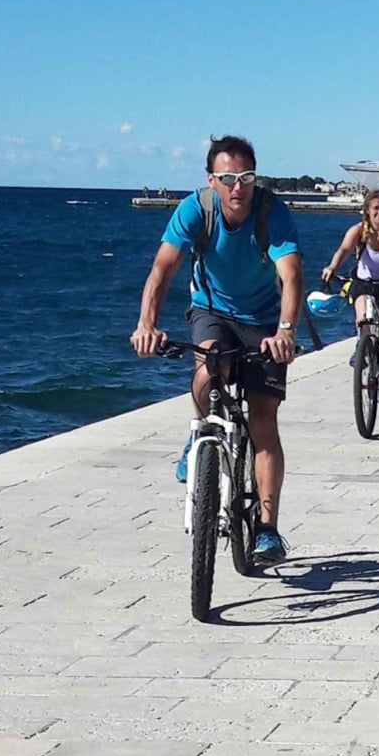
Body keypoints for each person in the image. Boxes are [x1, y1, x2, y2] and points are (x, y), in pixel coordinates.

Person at [131, 135, 302, 564]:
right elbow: (162, 269)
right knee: (209, 365)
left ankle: (267, 529)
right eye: (227, 178)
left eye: (245, 177)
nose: (237, 186)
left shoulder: (269, 212)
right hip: (211, 309)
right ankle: (200, 433)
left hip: (263, 319)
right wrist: (146, 324)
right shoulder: (195, 209)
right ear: (212, 180)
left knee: (263, 421)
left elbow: (292, 275)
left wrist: (284, 331)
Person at [320, 190, 379, 403]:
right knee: (363, 318)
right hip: (366, 284)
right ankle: (362, 345)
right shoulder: (358, 231)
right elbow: (344, 249)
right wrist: (332, 267)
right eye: (376, 208)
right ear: (367, 211)